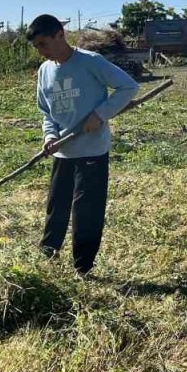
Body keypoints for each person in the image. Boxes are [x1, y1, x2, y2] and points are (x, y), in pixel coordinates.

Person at [28, 14, 138, 276]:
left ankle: (83, 267)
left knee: (86, 211)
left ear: (60, 35)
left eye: (44, 44)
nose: (42, 52)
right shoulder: (45, 72)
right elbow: (46, 112)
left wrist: (100, 115)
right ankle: (47, 255)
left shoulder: (90, 62)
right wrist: (49, 137)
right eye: (37, 47)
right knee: (57, 207)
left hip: (92, 150)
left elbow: (127, 86)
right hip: (63, 151)